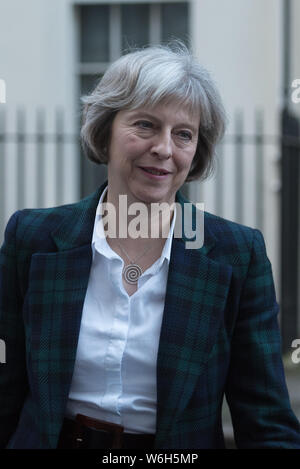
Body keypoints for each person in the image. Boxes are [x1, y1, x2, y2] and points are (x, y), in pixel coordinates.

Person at [0, 42, 300, 450]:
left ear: (196, 152)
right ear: (104, 130)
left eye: (183, 134)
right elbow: (6, 388)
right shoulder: (33, 237)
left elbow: (266, 420)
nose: (164, 149)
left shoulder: (234, 253)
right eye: (144, 125)